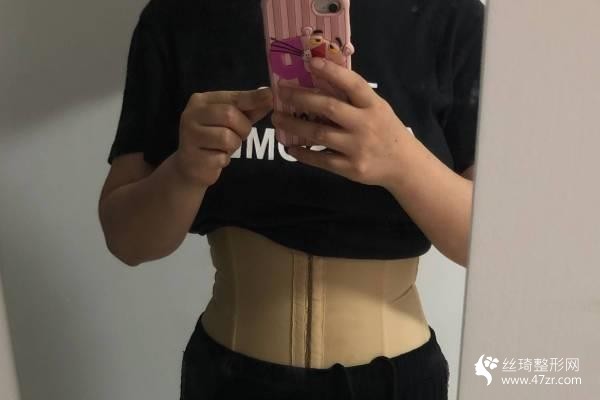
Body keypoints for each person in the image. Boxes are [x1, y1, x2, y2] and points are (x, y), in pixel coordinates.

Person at [98, 0, 484, 399]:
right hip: (230, 380)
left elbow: (490, 247)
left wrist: (401, 161)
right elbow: (126, 241)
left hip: (396, 383)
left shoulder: (451, 15)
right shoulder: (178, 16)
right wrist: (183, 171)